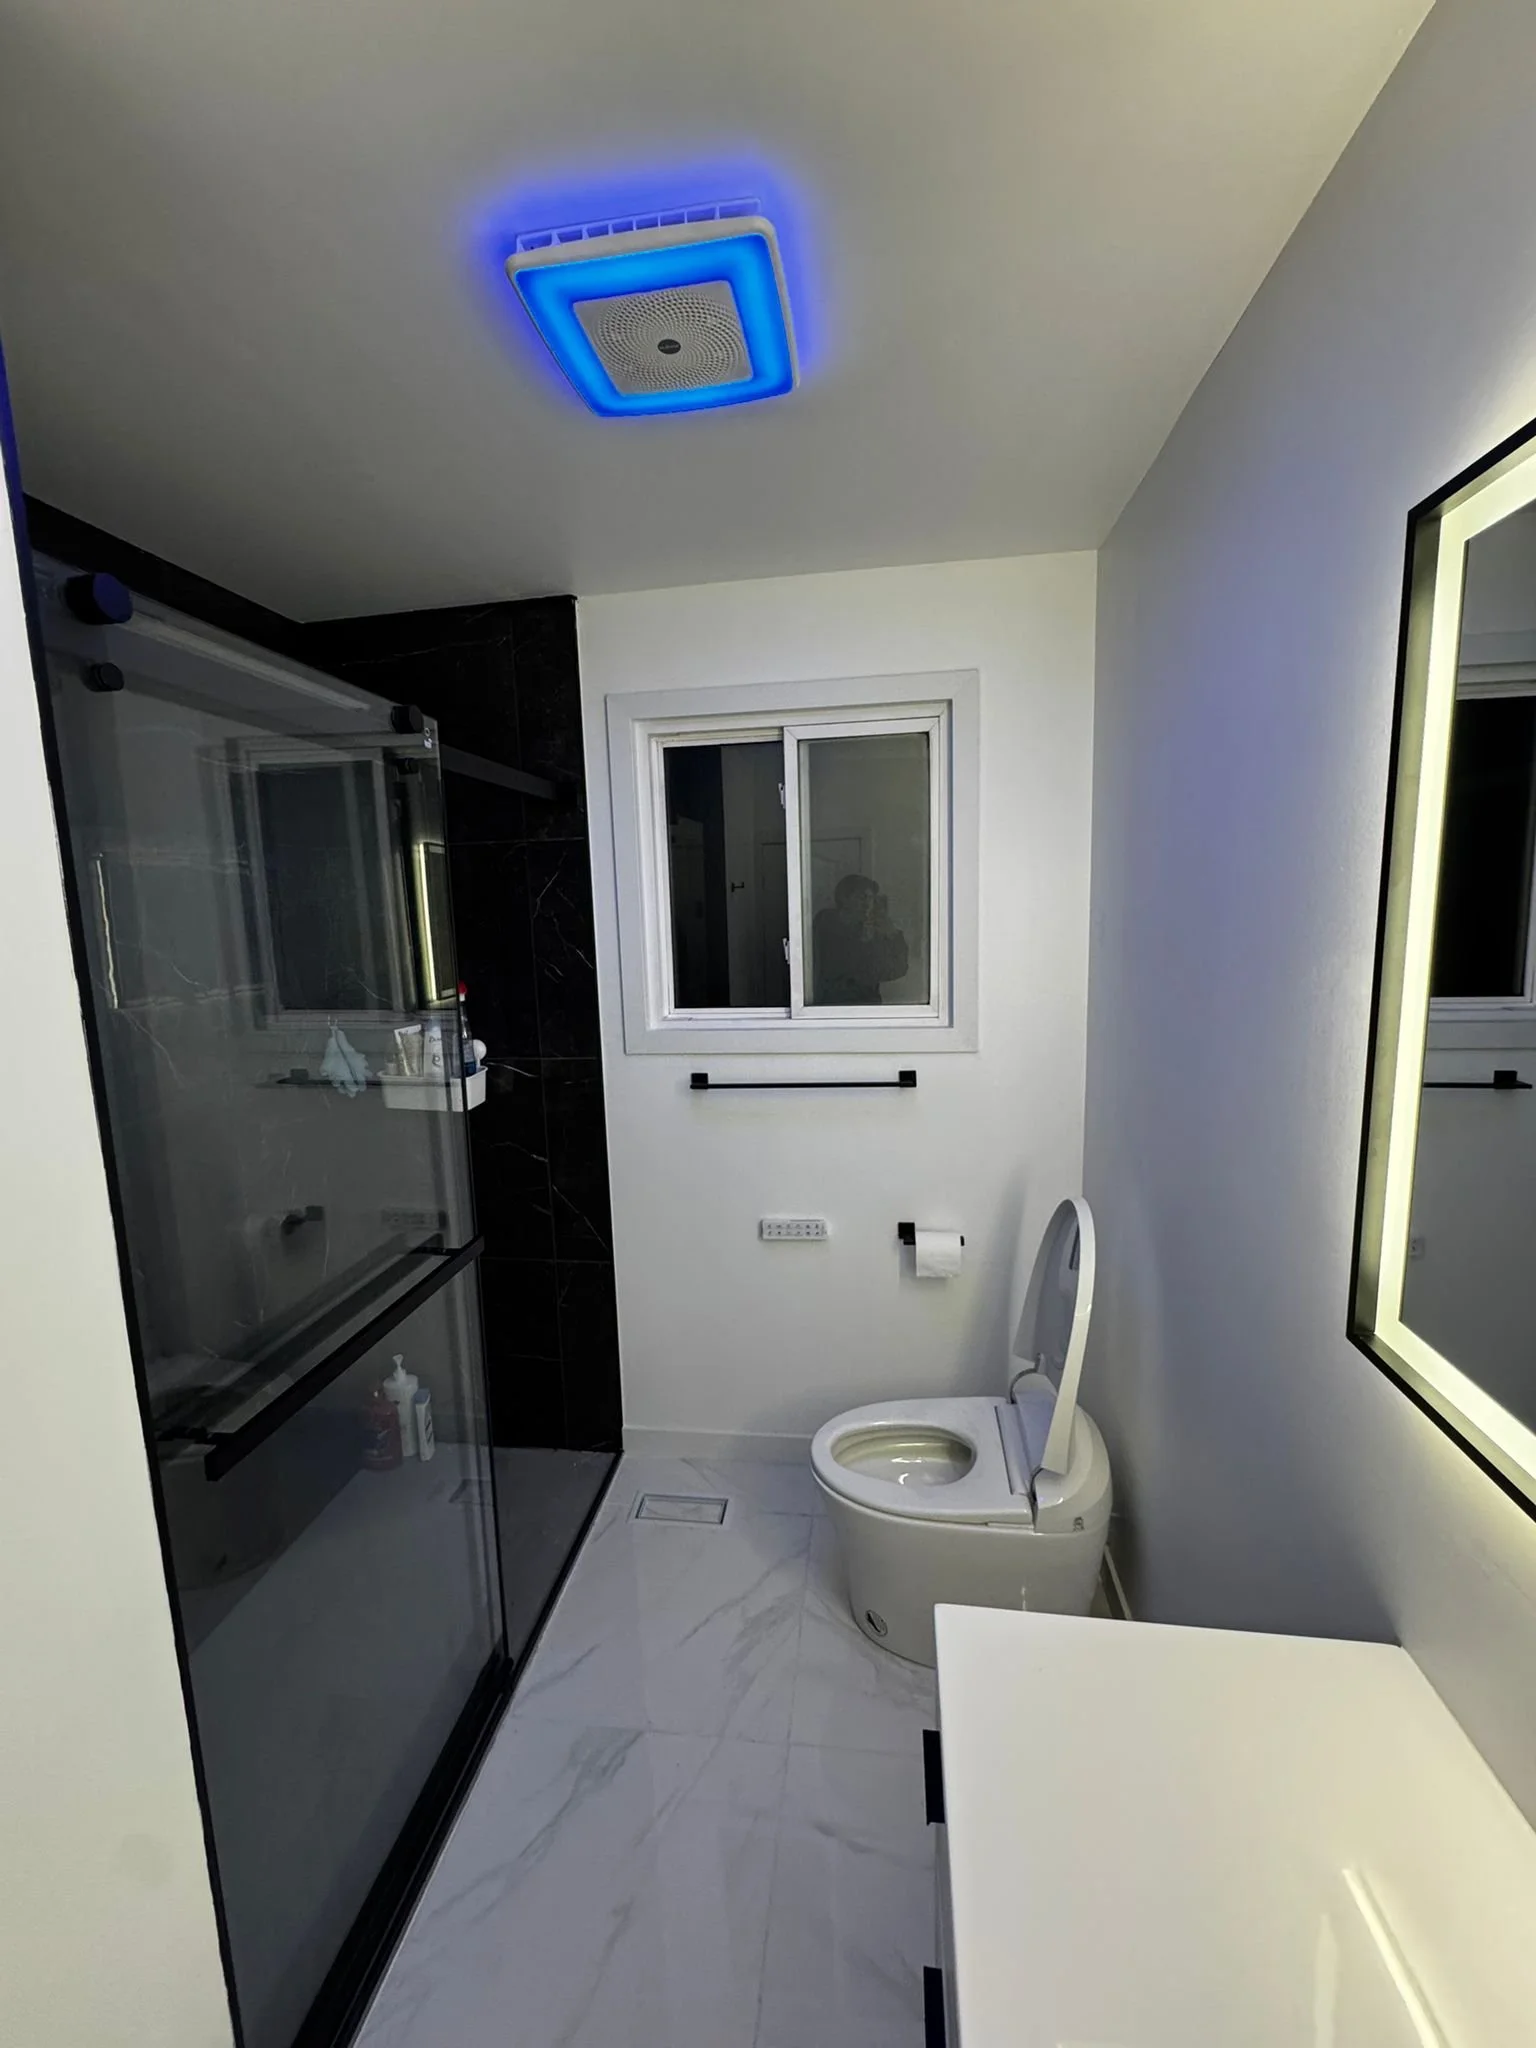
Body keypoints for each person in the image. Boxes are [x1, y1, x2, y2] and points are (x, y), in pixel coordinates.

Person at [812, 873, 908, 1004]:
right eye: (862, 897)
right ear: (844, 898)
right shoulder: (827, 923)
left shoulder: (871, 930)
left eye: (871, 899)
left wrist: (892, 934)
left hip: (867, 1008)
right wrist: (865, 942)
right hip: (832, 1007)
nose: (868, 904)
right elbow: (846, 969)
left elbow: (897, 969)